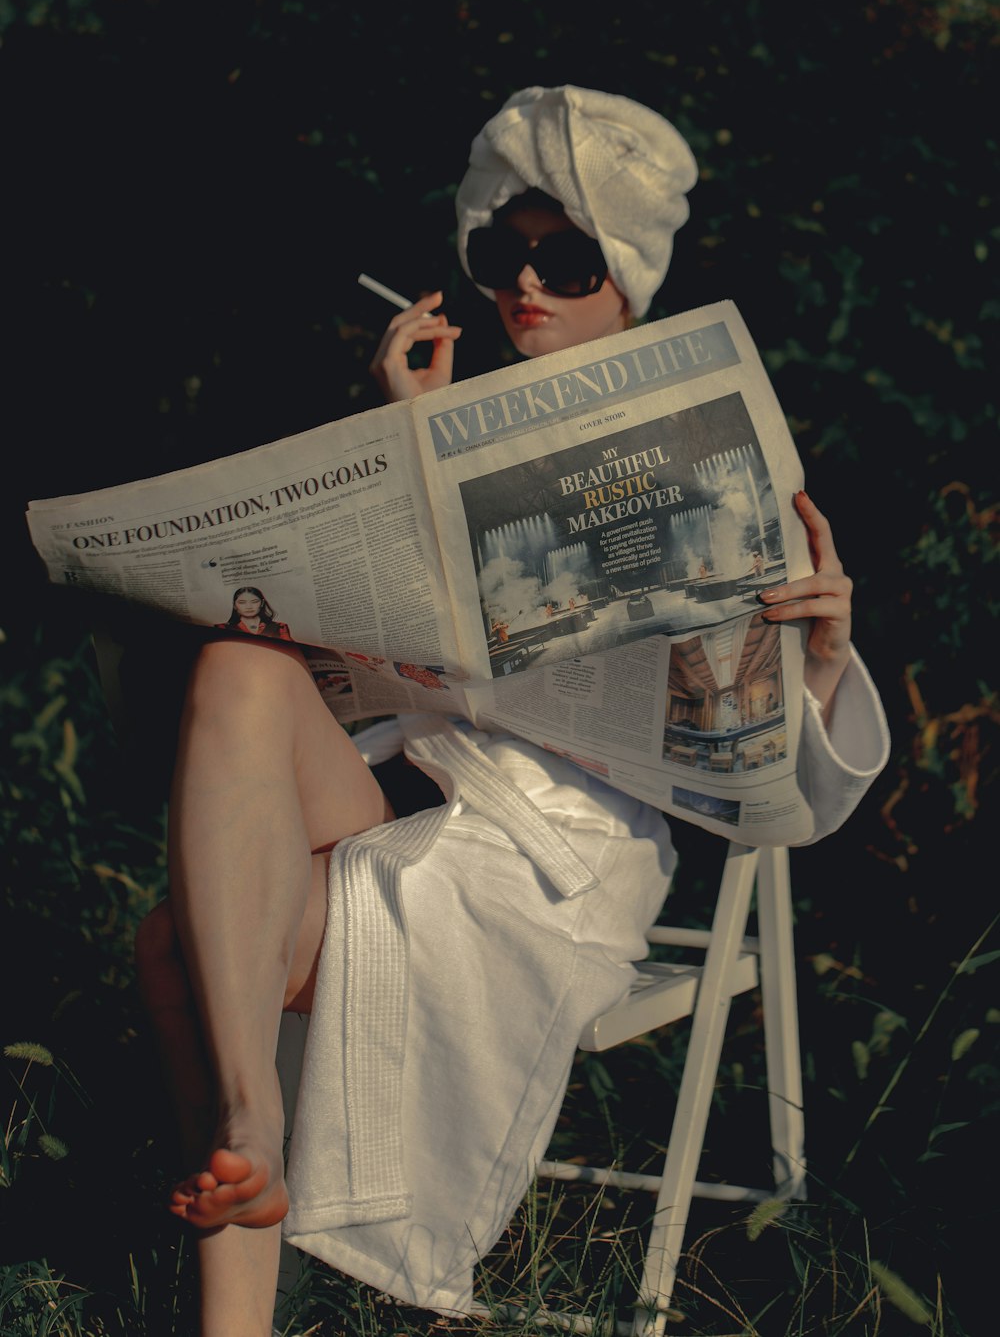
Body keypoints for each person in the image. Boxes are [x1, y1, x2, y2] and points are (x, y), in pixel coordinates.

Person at [135, 86, 890, 1336]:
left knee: (180, 944)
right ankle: (250, 1122)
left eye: (568, 257)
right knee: (236, 669)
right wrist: (396, 441)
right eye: (503, 254)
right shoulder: (441, 429)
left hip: (556, 844)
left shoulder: (708, 458)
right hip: (407, 781)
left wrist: (816, 662)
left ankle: (236, 1276)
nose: (527, 285)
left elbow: (770, 800)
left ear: (629, 281)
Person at [216, 586, 292, 641]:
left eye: (254, 602)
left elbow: (291, 650)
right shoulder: (222, 628)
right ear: (234, 605)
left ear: (262, 603)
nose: (249, 606)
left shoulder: (280, 627)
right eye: (242, 602)